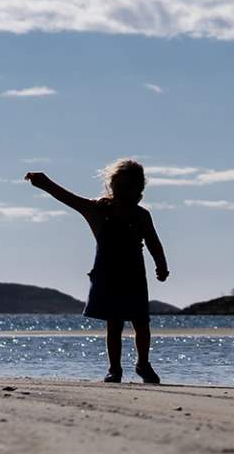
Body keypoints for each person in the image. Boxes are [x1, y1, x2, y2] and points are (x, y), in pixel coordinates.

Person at [24, 159, 169, 384]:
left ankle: (143, 363)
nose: (123, 192)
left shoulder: (141, 215)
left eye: (129, 187)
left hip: (134, 276)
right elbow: (68, 198)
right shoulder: (98, 210)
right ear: (111, 186)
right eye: (118, 186)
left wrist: (161, 264)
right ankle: (114, 369)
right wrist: (45, 183)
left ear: (139, 189)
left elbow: (153, 242)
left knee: (141, 322)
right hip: (107, 275)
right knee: (114, 324)